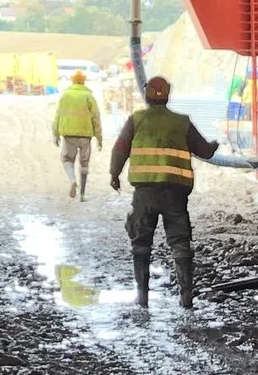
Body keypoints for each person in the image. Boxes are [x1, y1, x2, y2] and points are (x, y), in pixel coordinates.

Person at [108, 74, 218, 308]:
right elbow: (205, 151)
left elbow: (120, 149)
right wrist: (214, 145)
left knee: (141, 243)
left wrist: (114, 174)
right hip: (175, 194)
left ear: (146, 95)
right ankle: (186, 298)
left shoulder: (136, 120)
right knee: (180, 242)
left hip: (144, 192)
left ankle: (142, 297)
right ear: (168, 95)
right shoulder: (182, 122)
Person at [51, 68, 102, 199]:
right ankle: (82, 194)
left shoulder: (65, 95)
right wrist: (99, 138)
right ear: (83, 82)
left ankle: (72, 180)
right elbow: (96, 118)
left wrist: (55, 134)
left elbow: (57, 116)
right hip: (86, 136)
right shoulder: (88, 96)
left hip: (69, 135)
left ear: (72, 81)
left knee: (67, 159)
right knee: (84, 164)